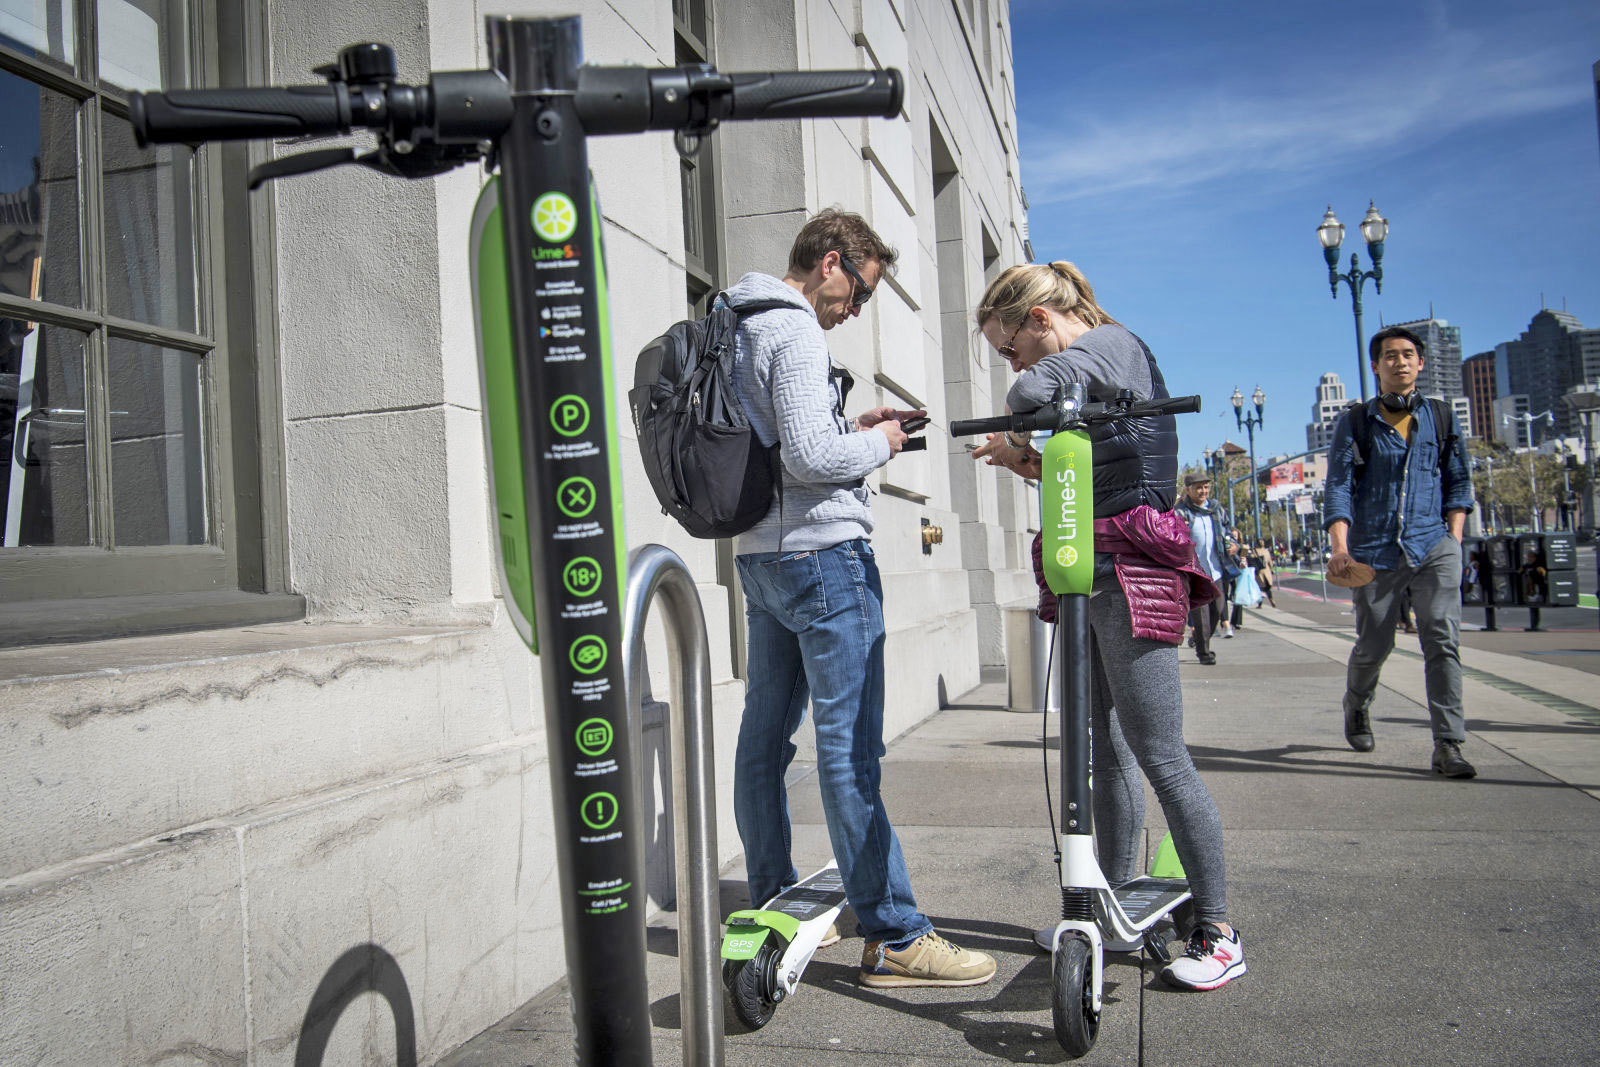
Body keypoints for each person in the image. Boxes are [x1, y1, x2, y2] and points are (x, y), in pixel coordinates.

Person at [725, 208, 996, 988]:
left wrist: (854, 423)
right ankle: (895, 932)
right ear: (833, 262)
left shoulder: (735, 317)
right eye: (861, 293)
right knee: (848, 752)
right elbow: (813, 458)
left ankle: (773, 894)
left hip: (761, 557)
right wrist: (879, 442)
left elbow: (786, 444)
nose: (855, 310)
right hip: (826, 562)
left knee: (764, 740)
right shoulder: (797, 328)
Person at [972, 261, 1245, 990]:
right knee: (1105, 752)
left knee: (1160, 752)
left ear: (1037, 316)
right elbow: (1094, 462)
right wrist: (1023, 458)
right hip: (1090, 566)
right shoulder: (1089, 367)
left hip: (1134, 572)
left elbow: (1032, 390)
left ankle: (1217, 926)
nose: (1013, 361)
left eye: (1008, 344)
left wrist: (1022, 402)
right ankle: (1109, 909)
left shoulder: (1109, 345)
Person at [1323, 325, 1477, 778]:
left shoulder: (1443, 418)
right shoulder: (1355, 422)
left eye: (1408, 354)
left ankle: (1448, 744)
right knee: (1374, 646)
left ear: (1421, 363)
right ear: (1376, 366)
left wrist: (1454, 538)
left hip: (1434, 546)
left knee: (1442, 641)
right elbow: (1338, 487)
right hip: (1374, 552)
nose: (1400, 361)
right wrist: (1340, 547)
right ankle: (1357, 705)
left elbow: (1459, 482)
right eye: (1390, 356)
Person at [1175, 472, 1227, 665]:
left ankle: (1199, 637)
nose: (1203, 491)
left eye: (1206, 487)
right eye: (1198, 487)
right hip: (1196, 573)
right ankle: (1204, 653)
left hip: (1216, 569)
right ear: (1188, 490)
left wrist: (1232, 543)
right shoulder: (1181, 511)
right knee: (1202, 615)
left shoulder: (1215, 509)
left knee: (1217, 610)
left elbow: (1227, 530)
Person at [1253, 543, 1276, 608]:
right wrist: (1271, 569)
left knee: (1260, 588)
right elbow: (1270, 562)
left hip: (1259, 571)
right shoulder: (1266, 551)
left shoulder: (1255, 551)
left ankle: (1260, 603)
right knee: (1267, 587)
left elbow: (1252, 560)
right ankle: (1271, 599)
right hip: (1266, 571)